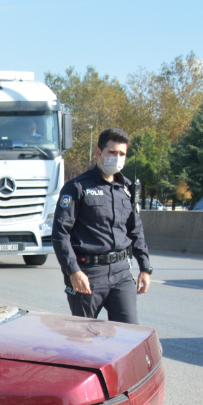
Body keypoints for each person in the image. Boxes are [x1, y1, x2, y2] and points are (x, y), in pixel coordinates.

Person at [51, 127, 152, 324]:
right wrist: (73, 271)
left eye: (122, 154)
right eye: (112, 152)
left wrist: (145, 268)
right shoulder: (78, 187)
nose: (117, 157)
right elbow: (60, 233)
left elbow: (136, 230)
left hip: (121, 271)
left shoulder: (127, 189)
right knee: (84, 338)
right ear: (98, 152)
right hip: (89, 274)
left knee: (128, 335)